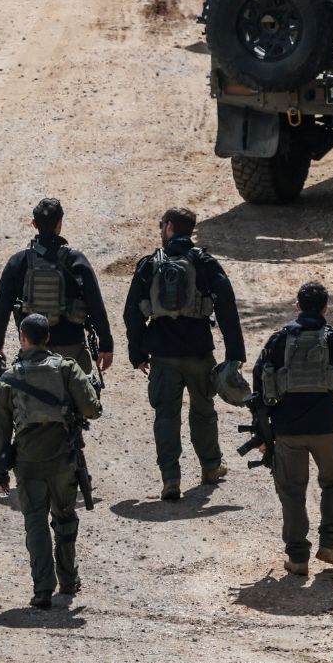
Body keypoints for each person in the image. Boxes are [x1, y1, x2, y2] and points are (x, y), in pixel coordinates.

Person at [122, 206, 246, 501]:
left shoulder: (150, 263)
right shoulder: (204, 262)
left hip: (162, 355)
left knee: (165, 416)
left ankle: (171, 478)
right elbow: (227, 309)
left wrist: (136, 352)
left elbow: (132, 313)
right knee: (203, 412)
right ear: (190, 230)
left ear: (168, 228)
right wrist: (234, 355)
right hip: (199, 352)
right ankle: (211, 467)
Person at [252, 280, 333, 574]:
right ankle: (329, 545)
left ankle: (298, 558)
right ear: (326, 307)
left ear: (297, 306)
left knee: (291, 492)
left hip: (288, 430)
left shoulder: (278, 340)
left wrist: (263, 433)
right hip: (327, 427)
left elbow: (259, 389)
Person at [0, 314, 103, 608]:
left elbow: (2, 430)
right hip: (63, 459)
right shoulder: (67, 369)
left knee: (36, 523)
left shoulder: (10, 378)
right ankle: (68, 580)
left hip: (28, 463)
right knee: (65, 518)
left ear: (22, 338)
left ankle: (42, 589)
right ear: (48, 339)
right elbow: (93, 410)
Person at [0, 198, 116, 373]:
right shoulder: (76, 260)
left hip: (33, 354)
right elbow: (95, 305)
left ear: (34, 224)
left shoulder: (18, 262)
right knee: (82, 397)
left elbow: (1, 307)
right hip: (72, 353)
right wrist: (106, 346)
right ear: (60, 224)